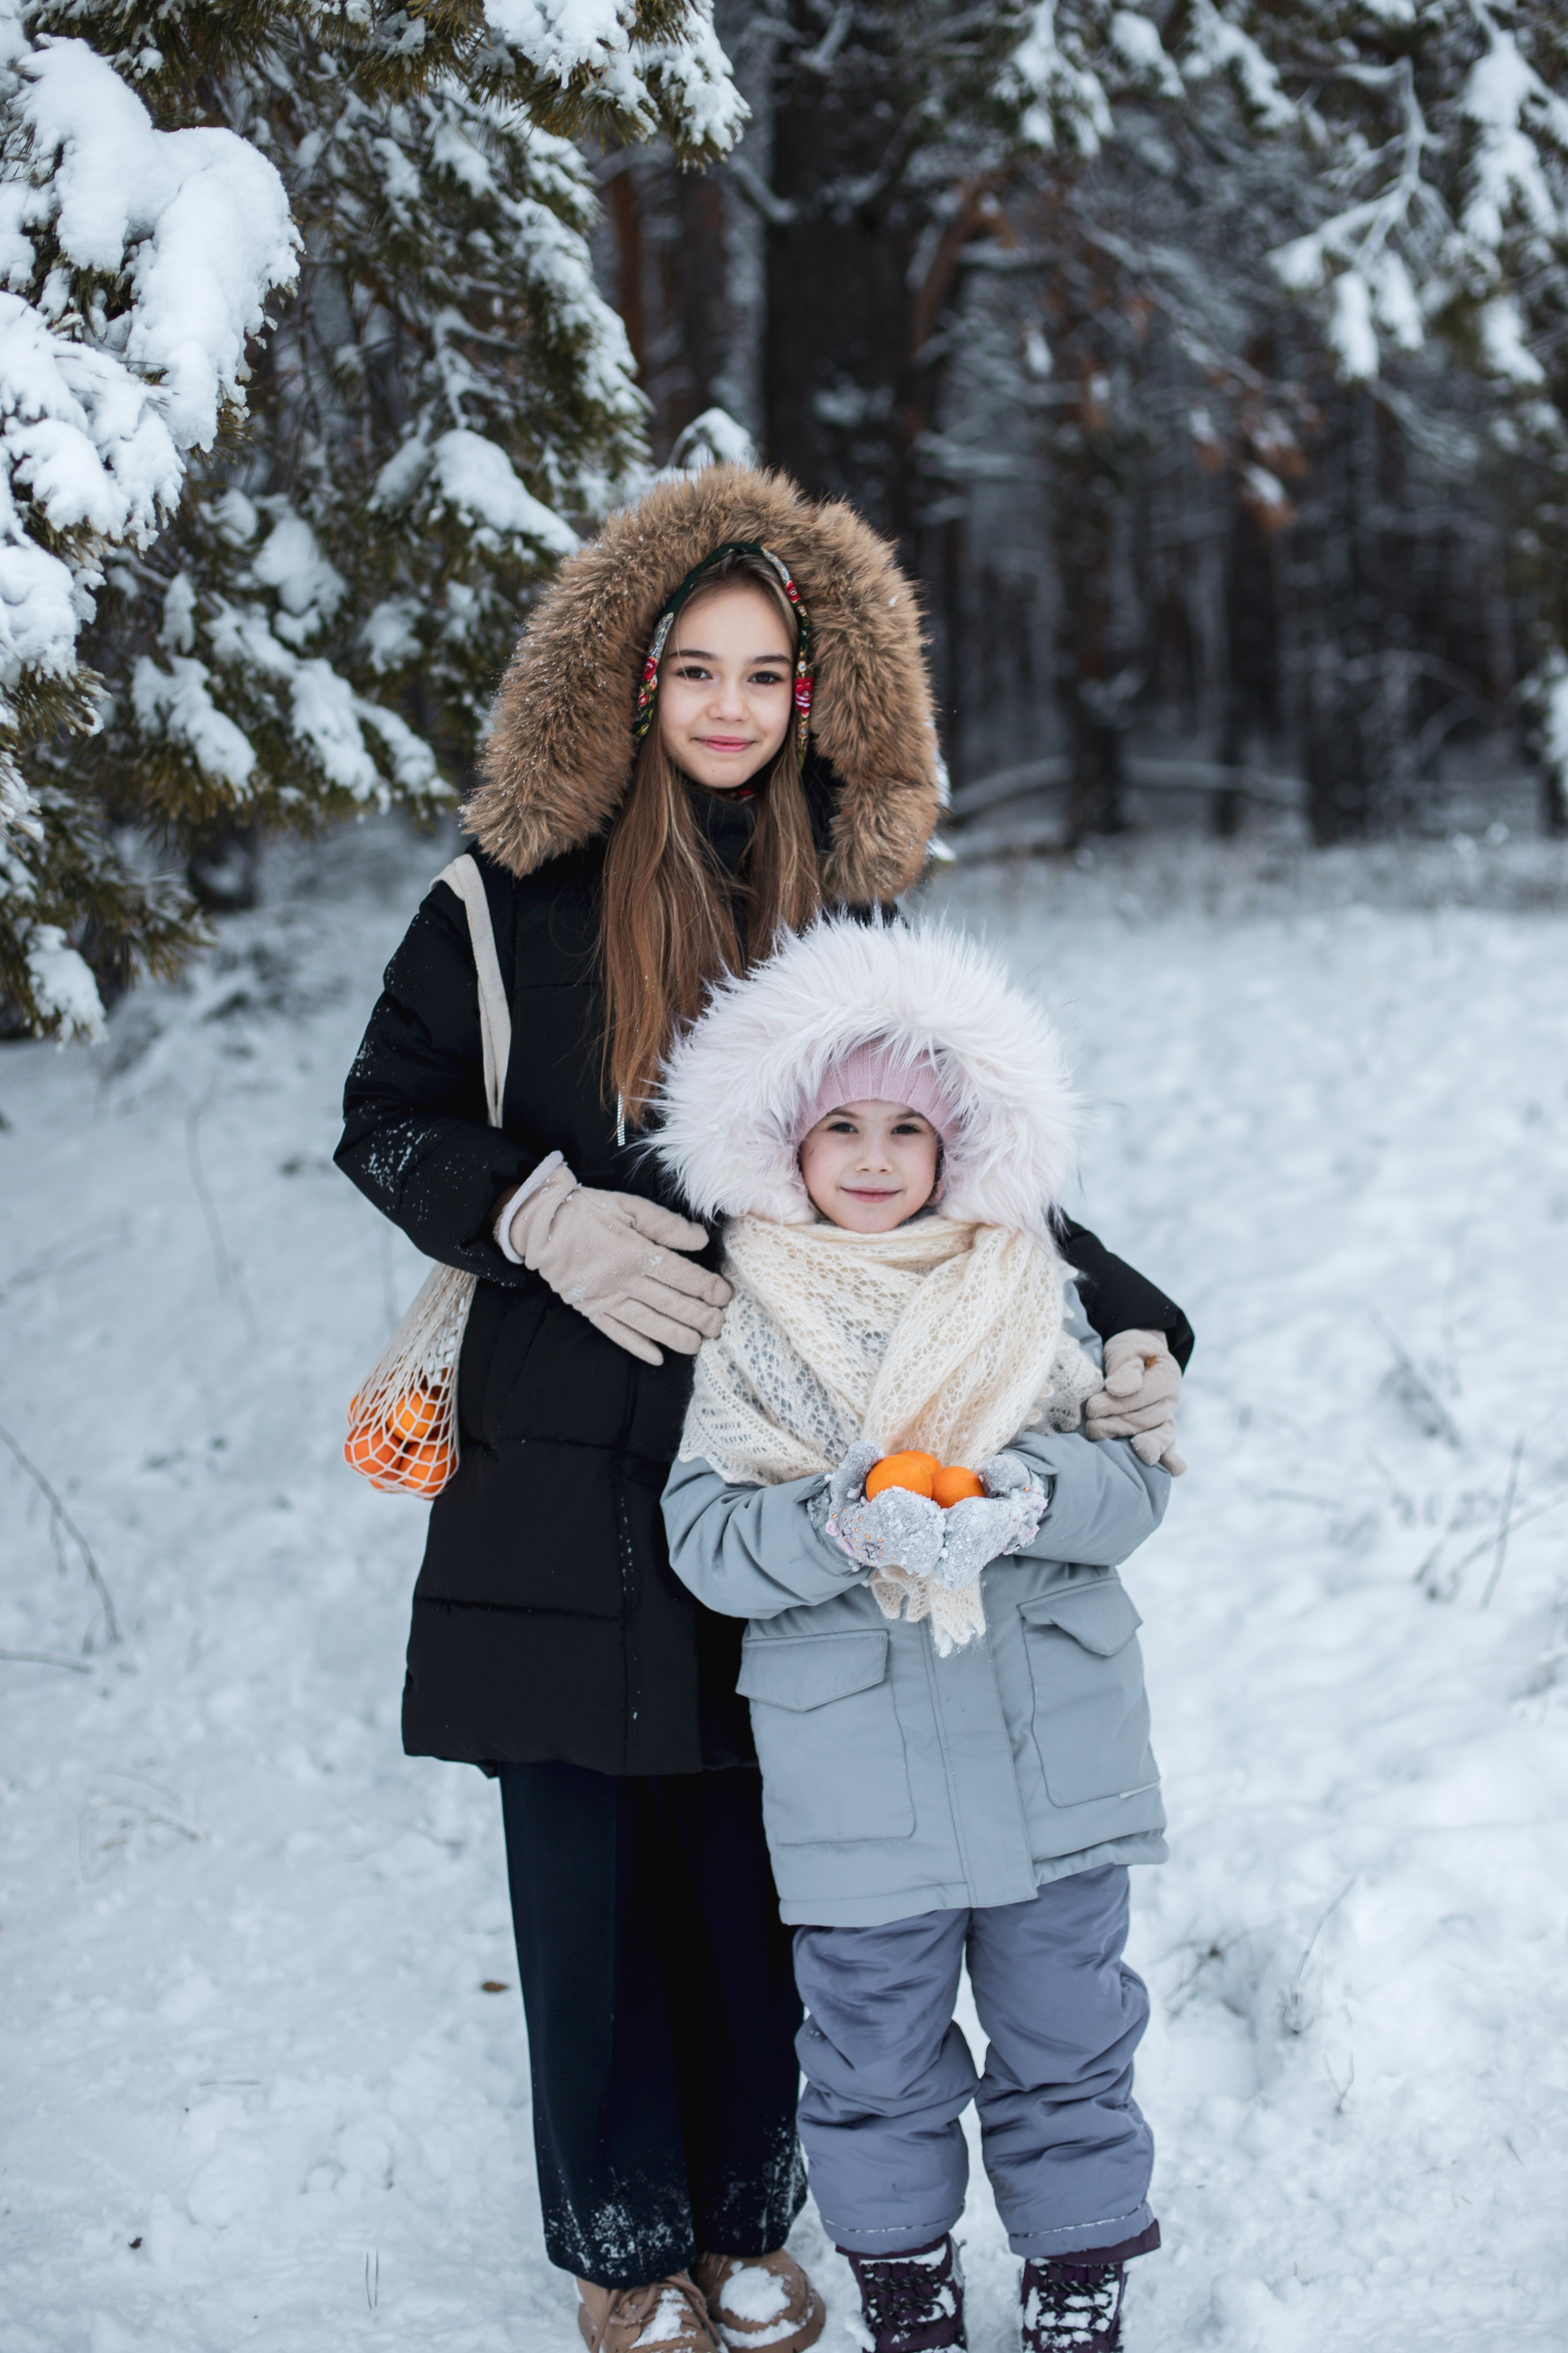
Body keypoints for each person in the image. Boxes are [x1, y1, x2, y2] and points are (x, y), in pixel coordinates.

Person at [335, 463, 1191, 2353]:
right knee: (583, 1859)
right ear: (631, 679)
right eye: (694, 668)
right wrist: (535, 1215)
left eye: (767, 675)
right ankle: (621, 2232)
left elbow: (968, 1162)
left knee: (755, 1859)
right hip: (563, 1433)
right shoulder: (503, 901)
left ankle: (749, 2214)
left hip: (794, 1426)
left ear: (814, 696)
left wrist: (1134, 1321)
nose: (729, 707)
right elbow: (386, 1117)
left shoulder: (847, 897)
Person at [657, 917, 1180, 2353]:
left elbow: (1129, 1483)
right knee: (871, 2058)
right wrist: (833, 1519)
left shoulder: (1029, 1289)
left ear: (958, 1147)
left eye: (907, 1126)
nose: (876, 1155)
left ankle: (1077, 2276)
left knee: (1068, 2040)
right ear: (786, 1141)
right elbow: (704, 1538)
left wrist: (1023, 1495)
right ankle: (906, 2286)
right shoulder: (745, 1325)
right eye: (842, 1125)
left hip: (1045, 1760)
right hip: (861, 1788)